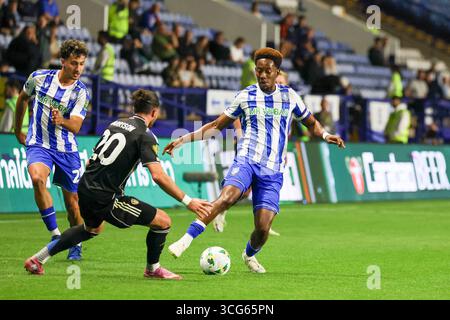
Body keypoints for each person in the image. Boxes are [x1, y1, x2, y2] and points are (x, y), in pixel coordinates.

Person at [163, 48, 345, 273]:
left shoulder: (290, 97)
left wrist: (326, 135)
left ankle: (249, 255)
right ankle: (186, 240)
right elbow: (215, 126)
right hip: (247, 160)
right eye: (259, 70)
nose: (263, 75)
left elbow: (311, 122)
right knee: (227, 197)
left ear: (277, 72)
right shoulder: (245, 96)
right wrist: (183, 139)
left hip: (273, 171)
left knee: (262, 229)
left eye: (268, 70)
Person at [24, 89, 212, 279]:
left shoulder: (115, 124)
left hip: (85, 187)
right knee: (163, 222)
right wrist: (189, 201)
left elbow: (91, 161)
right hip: (105, 197)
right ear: (154, 112)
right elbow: (158, 176)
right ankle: (153, 269)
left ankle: (38, 259)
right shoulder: (145, 135)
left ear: (134, 107)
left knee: (92, 229)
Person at [14, 40, 90, 260]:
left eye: (82, 64)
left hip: (66, 150)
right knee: (37, 179)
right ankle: (56, 234)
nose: (78, 69)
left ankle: (75, 243)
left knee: (72, 204)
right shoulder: (39, 78)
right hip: (39, 143)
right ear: (63, 61)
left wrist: (62, 120)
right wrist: (18, 129)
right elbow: (22, 99)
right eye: (74, 63)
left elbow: (75, 126)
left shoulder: (81, 93)